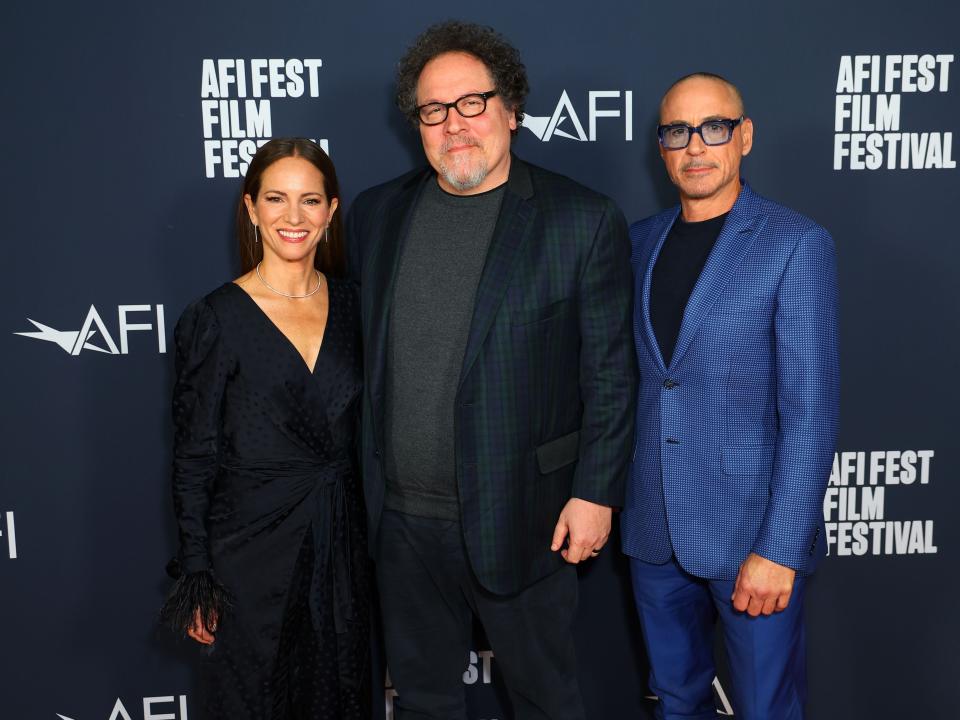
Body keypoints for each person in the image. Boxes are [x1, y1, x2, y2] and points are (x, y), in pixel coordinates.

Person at [347, 20, 636, 720]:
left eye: (472, 103)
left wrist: (596, 493)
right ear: (417, 123)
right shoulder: (376, 213)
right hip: (405, 524)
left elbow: (610, 373)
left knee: (545, 700)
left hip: (526, 517)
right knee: (422, 701)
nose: (455, 125)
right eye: (434, 110)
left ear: (511, 108)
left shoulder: (580, 219)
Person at [621, 73, 839, 720]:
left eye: (714, 128)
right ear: (661, 148)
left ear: (743, 136)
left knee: (765, 709)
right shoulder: (637, 243)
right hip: (654, 529)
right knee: (675, 701)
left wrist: (778, 549)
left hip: (751, 536)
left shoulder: (795, 244)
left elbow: (811, 411)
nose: (696, 146)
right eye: (677, 132)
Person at [160, 138, 370, 720]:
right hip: (247, 557)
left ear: (332, 210)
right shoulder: (216, 318)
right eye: (276, 199)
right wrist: (198, 573)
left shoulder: (358, 307)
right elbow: (193, 457)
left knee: (340, 696)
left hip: (342, 552)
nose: (293, 217)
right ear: (251, 208)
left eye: (310, 200)